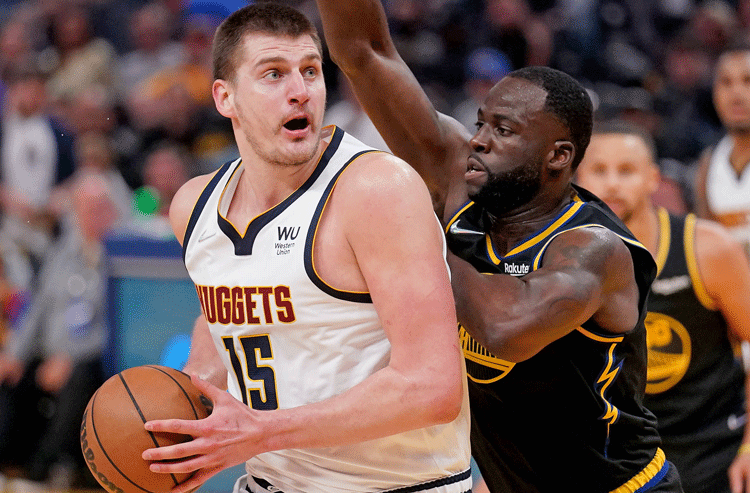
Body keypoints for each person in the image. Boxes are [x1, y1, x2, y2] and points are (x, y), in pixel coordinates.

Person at [314, 0, 683, 491]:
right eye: (483, 122)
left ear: (558, 156)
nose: (480, 140)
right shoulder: (459, 179)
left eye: (503, 130)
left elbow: (503, 328)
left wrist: (413, 242)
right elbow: (363, 52)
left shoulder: (593, 247)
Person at [140, 4, 472, 493]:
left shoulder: (376, 190)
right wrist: (188, 410)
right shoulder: (194, 205)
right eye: (273, 74)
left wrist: (261, 432)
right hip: (268, 483)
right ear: (225, 97)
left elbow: (433, 387)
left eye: (311, 71)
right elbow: (223, 314)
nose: (300, 91)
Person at [576, 120, 750, 493]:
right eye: (599, 170)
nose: (612, 184)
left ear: (653, 179)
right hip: (619, 455)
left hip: (713, 448)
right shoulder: (564, 258)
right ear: (577, 178)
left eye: (626, 171)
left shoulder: (708, 248)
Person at [0, 171, 120, 489]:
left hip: (91, 359)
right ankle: (10, 461)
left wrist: (69, 356)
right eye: (87, 209)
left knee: (79, 377)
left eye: (101, 208)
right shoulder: (61, 253)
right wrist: (13, 354)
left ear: (112, 211)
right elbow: (36, 310)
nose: (96, 216)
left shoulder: (119, 260)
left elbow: (115, 326)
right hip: (48, 354)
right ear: (75, 213)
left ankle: (45, 469)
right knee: (10, 376)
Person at [694, 41, 750, 259]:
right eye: (726, 82)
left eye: (748, 81)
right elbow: (708, 252)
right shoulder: (708, 164)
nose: (736, 94)